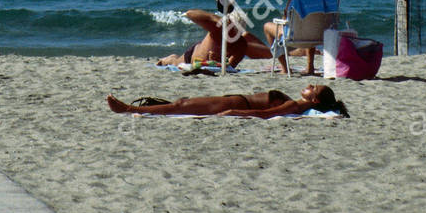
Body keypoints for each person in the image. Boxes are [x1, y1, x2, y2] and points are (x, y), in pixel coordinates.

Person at [157, 0, 273, 69]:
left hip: (202, 62)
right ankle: (168, 58)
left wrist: (217, 62)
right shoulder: (219, 29)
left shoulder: (241, 45)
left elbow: (229, 68)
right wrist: (213, 18)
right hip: (192, 55)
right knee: (174, 61)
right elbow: (189, 13)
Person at [263, 0, 338, 74]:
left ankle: (285, 68)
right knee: (311, 24)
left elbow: (286, 20)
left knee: (267, 26)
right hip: (320, 36)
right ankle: (310, 67)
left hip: (296, 37)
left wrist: (287, 6)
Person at [107, 83, 350, 118]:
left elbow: (265, 115)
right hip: (236, 101)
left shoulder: (296, 105)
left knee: (181, 106)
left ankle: (127, 109)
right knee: (183, 102)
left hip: (236, 104)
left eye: (312, 88)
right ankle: (136, 108)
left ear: (315, 101)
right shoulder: (300, 103)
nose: (307, 87)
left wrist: (233, 111)